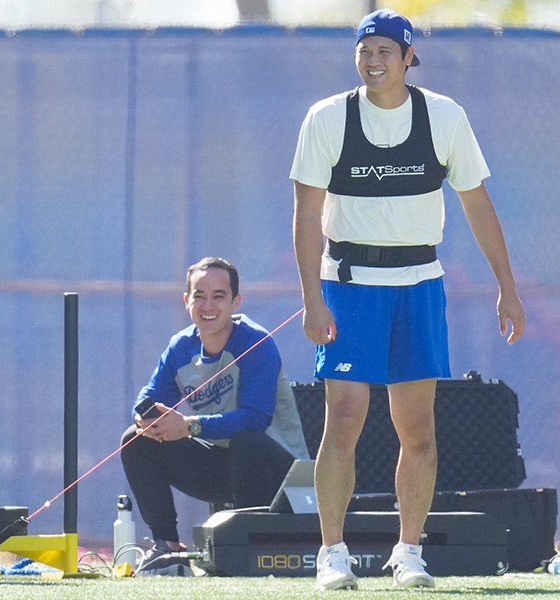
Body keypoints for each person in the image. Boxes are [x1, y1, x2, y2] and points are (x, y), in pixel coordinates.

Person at [290, 9, 525, 591]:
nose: (373, 60)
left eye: (385, 51)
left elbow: (476, 203)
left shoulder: (445, 117)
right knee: (343, 418)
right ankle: (332, 555)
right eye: (364, 50)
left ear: (407, 57)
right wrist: (312, 300)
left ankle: (409, 552)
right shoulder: (327, 118)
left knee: (416, 428)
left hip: (420, 285)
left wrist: (508, 287)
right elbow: (306, 213)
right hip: (348, 287)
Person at [120, 256, 310, 576]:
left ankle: (252, 545)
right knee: (135, 440)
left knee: (245, 442)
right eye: (199, 296)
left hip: (278, 471)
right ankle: (166, 548)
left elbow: (255, 420)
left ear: (235, 301)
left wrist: (189, 426)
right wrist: (148, 418)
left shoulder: (256, 341)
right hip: (224, 466)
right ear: (187, 301)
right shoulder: (180, 347)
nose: (208, 305)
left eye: (219, 296)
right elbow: (147, 398)